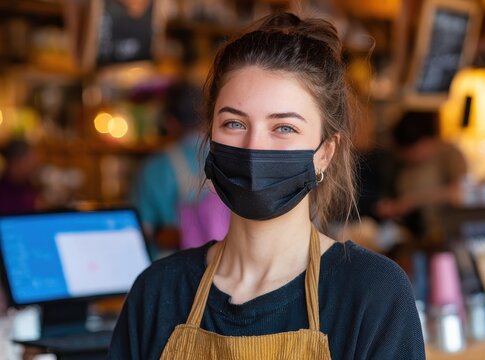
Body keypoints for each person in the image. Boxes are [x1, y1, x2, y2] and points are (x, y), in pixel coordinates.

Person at [109, 13, 425, 360]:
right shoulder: (156, 292)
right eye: (233, 123)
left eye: (284, 128)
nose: (253, 146)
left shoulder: (372, 293)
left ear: (325, 152)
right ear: (210, 136)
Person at [131, 81, 230, 256]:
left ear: (170, 122)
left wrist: (166, 234)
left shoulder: (155, 167)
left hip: (169, 268)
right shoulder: (228, 156)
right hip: (222, 263)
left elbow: (141, 230)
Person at [376, 111, 467, 242]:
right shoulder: (404, 165)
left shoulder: (450, 155)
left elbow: (460, 193)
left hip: (447, 234)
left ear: (426, 141)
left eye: (412, 151)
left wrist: (412, 201)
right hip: (415, 236)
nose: (409, 157)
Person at [0, 138, 42, 215]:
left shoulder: (28, 185)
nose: (36, 165)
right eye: (30, 160)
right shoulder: (4, 196)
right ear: (15, 162)